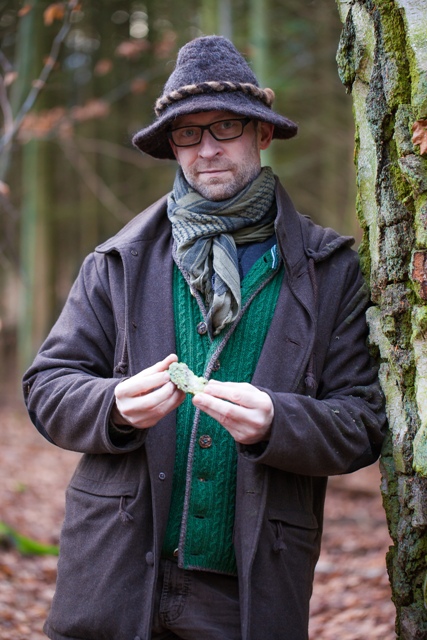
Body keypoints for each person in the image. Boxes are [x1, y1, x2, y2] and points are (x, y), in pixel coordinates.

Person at [23, 35, 386, 640]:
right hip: (113, 574)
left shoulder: (331, 270)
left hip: (247, 589)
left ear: (262, 134)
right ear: (173, 145)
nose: (207, 148)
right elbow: (47, 388)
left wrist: (278, 421)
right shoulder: (117, 261)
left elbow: (363, 422)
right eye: (188, 134)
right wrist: (111, 406)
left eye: (225, 127)